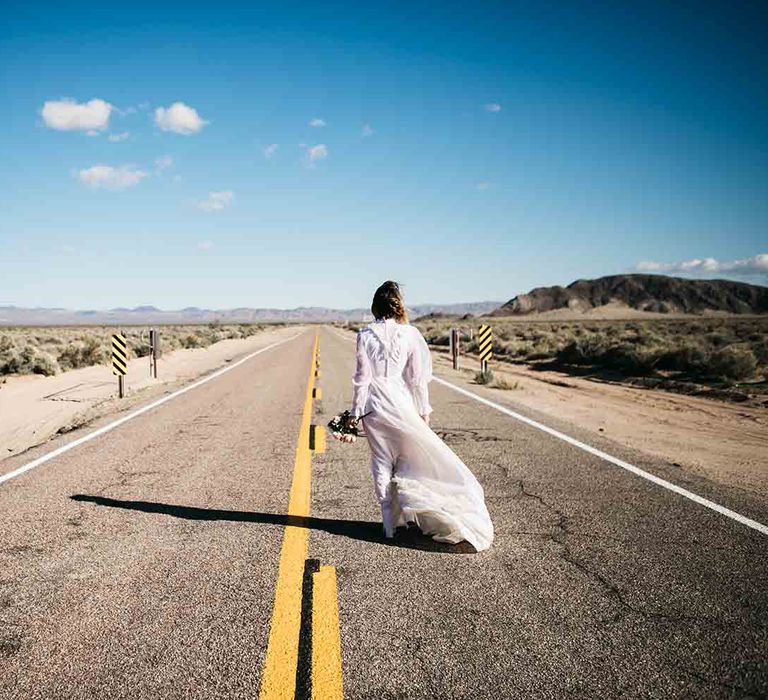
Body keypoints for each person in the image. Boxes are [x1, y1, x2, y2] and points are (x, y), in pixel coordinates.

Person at [347, 281, 494, 552]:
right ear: (398, 304)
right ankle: (410, 514)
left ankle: (390, 524)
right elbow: (416, 379)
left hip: (374, 406)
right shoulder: (410, 334)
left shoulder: (365, 334)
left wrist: (355, 413)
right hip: (401, 404)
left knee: (381, 461)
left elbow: (362, 379)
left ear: (375, 305)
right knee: (409, 460)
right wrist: (423, 410)